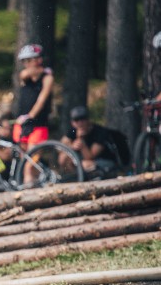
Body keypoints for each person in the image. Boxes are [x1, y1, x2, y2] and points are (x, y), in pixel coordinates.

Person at [15, 43, 54, 185]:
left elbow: (41, 100)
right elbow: (25, 74)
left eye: (29, 60)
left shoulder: (47, 78)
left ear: (38, 60)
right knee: (23, 159)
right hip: (22, 124)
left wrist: (31, 115)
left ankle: (28, 186)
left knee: (30, 162)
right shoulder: (26, 75)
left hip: (38, 124)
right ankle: (36, 183)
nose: (26, 64)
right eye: (24, 61)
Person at [60, 106, 120, 179]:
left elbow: (90, 157)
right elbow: (60, 146)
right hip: (85, 162)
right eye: (76, 120)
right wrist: (71, 146)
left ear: (88, 120)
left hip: (104, 162)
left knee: (84, 164)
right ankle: (75, 178)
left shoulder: (100, 132)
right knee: (63, 157)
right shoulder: (73, 131)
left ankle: (84, 178)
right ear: (72, 122)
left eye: (82, 119)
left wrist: (82, 143)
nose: (80, 123)